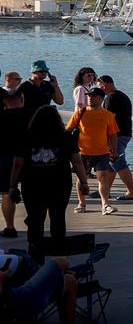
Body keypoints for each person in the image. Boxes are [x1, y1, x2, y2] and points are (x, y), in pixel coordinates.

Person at [0, 251, 100, 324]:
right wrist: (2, 279)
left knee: (69, 281)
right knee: (60, 261)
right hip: (21, 300)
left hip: (16, 292)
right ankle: (61, 273)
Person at [18, 105, 74, 257]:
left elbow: (18, 163)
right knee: (58, 217)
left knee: (35, 218)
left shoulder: (27, 136)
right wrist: (83, 181)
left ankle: (34, 251)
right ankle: (58, 251)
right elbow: (76, 160)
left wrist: (12, 185)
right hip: (60, 184)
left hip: (32, 184)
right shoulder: (65, 136)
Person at [66, 88, 120, 215]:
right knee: (81, 179)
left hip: (102, 152)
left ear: (101, 98)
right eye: (89, 96)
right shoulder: (80, 113)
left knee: (103, 178)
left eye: (93, 96)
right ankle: (81, 203)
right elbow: (68, 131)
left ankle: (105, 205)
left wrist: (114, 150)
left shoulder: (108, 115)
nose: (90, 98)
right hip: (82, 153)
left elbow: (113, 134)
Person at [95, 75, 133, 202]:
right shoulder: (122, 95)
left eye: (100, 87)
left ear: (105, 84)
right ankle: (105, 189)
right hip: (124, 132)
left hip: (116, 135)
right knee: (111, 163)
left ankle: (132, 191)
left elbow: (108, 119)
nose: (99, 90)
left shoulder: (110, 98)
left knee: (116, 161)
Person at [0, 88, 26, 238]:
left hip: (5, 158)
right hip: (29, 159)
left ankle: (10, 227)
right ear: (21, 99)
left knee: (6, 193)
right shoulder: (30, 115)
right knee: (31, 192)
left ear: (5, 101)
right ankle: (35, 220)